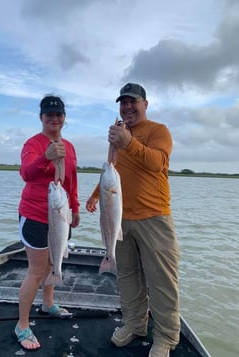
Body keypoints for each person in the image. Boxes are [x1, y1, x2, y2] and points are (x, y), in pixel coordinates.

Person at [86, 83, 180, 357]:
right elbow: (112, 172)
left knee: (162, 281)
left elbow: (157, 162)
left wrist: (128, 141)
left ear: (145, 104)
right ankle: (134, 325)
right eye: (123, 102)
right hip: (120, 218)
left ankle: (165, 337)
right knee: (127, 276)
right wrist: (94, 195)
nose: (127, 107)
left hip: (154, 217)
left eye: (133, 102)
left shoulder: (158, 131)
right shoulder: (116, 136)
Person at [15, 95, 80, 350]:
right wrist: (45, 156)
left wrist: (74, 207)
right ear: (41, 118)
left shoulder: (70, 146)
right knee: (37, 270)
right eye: (49, 115)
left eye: (58, 115)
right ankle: (21, 324)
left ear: (64, 118)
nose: (54, 119)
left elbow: (71, 179)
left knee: (55, 261)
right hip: (35, 215)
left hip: (61, 215)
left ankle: (48, 303)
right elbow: (26, 173)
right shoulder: (33, 144)